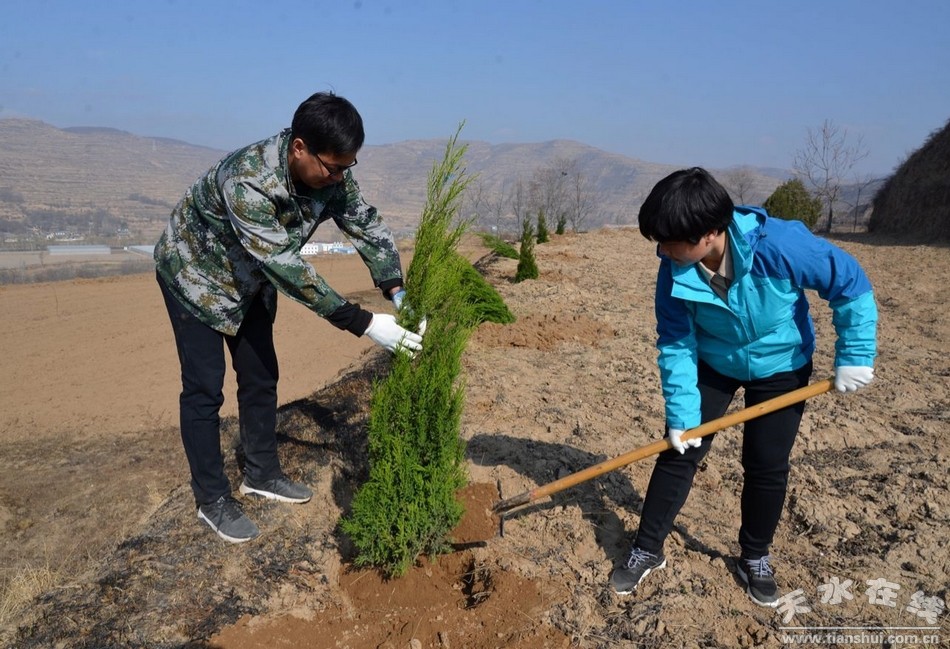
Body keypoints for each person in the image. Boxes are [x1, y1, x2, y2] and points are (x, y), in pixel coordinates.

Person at [154, 91, 423, 544]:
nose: (339, 177)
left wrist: (397, 291)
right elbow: (286, 266)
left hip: (251, 280)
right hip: (195, 276)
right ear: (300, 148)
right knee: (204, 389)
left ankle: (261, 474)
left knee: (260, 375)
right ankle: (212, 499)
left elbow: (365, 223)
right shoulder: (247, 180)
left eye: (348, 167)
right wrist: (363, 322)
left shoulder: (333, 173)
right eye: (332, 168)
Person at [610, 167, 877, 606]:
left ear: (709, 232)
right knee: (679, 452)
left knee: (766, 463)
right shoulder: (674, 268)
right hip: (714, 361)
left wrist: (856, 353)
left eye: (670, 242)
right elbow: (676, 341)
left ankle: (754, 556)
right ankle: (647, 548)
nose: (662, 250)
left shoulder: (779, 246)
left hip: (781, 365)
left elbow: (849, 282)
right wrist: (682, 416)